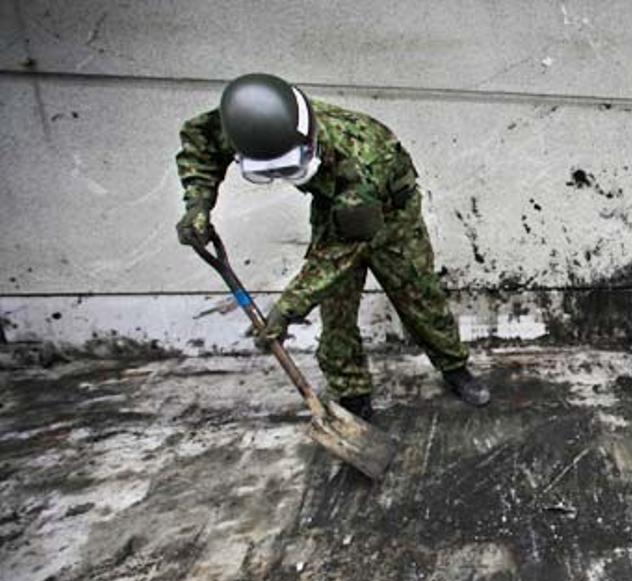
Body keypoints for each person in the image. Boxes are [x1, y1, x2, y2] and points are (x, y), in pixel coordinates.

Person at [174, 73, 490, 420]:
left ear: (307, 138)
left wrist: (287, 309)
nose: (281, 178)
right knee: (336, 314)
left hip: (392, 217)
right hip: (333, 208)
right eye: (270, 172)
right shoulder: (251, 125)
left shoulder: (363, 157)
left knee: (418, 297)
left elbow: (340, 254)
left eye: (288, 168)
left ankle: (454, 368)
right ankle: (353, 393)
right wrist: (198, 204)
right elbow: (200, 142)